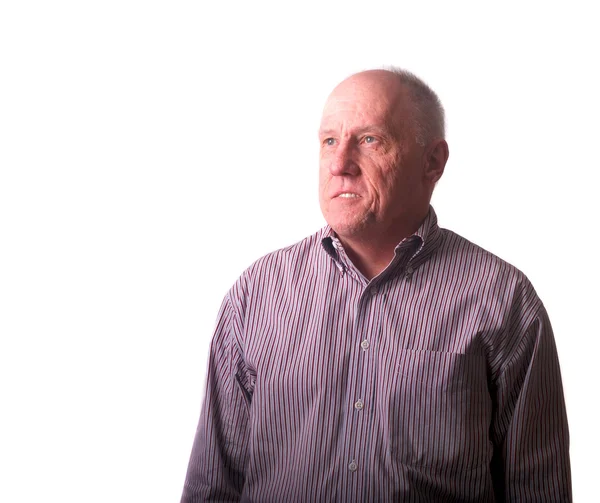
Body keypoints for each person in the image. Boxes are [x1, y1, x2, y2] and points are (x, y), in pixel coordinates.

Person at [181, 68, 571, 502]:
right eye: (329, 140)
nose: (339, 164)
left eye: (369, 140)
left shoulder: (504, 301)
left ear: (433, 162)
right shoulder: (256, 294)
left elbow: (538, 489)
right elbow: (213, 486)